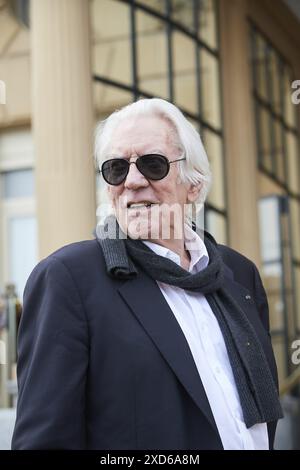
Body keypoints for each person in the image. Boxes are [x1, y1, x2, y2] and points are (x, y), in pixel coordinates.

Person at [12, 98, 282, 450]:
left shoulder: (239, 275)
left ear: (194, 184)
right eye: (116, 168)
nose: (134, 181)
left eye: (153, 165)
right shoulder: (68, 279)